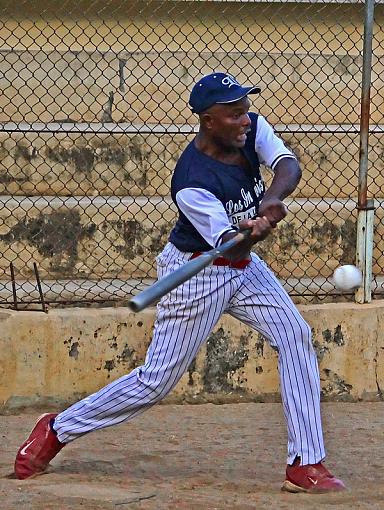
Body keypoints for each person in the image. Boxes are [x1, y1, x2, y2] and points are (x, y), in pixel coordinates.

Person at [14, 72, 345, 493]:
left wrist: (271, 201)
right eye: (234, 114)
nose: (246, 120)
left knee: (295, 334)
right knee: (156, 381)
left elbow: (286, 164)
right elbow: (230, 248)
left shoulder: (251, 129)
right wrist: (252, 234)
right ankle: (58, 428)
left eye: (246, 109)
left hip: (244, 271)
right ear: (209, 120)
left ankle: (304, 463)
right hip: (196, 274)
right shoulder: (192, 183)